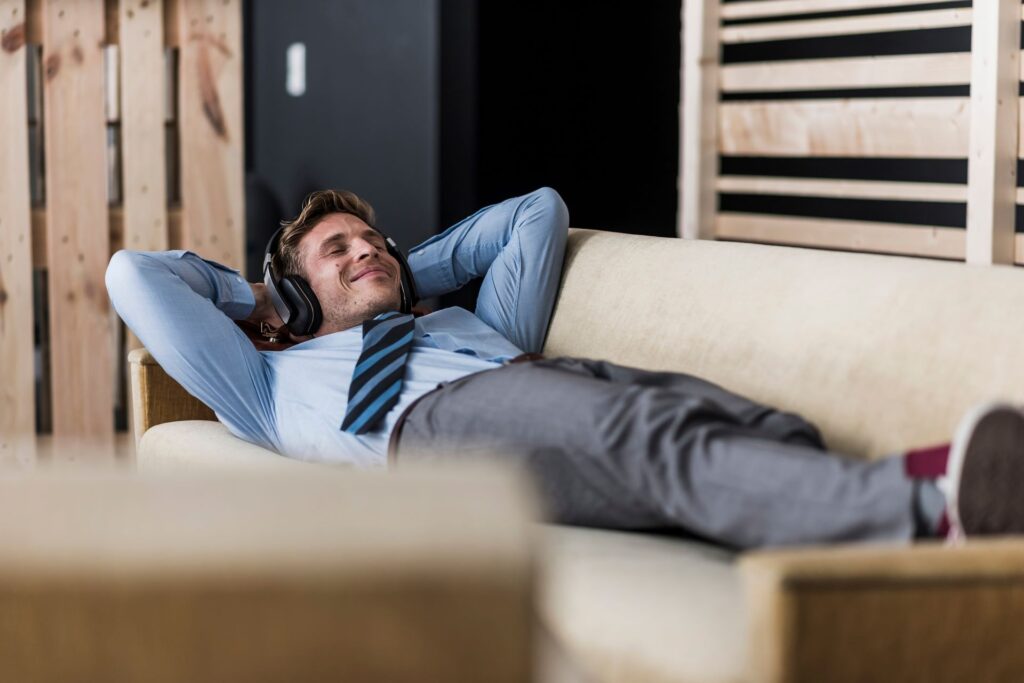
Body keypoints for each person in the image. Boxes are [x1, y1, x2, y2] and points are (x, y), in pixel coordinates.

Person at [106, 187, 1024, 549]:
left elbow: (534, 214)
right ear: (291, 298)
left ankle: (926, 498)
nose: (363, 250)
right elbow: (132, 276)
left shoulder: (471, 319)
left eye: (371, 238)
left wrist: (395, 274)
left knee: (770, 427)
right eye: (334, 250)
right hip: (430, 433)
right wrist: (265, 303)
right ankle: (936, 506)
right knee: (653, 438)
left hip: (541, 379)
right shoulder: (266, 383)